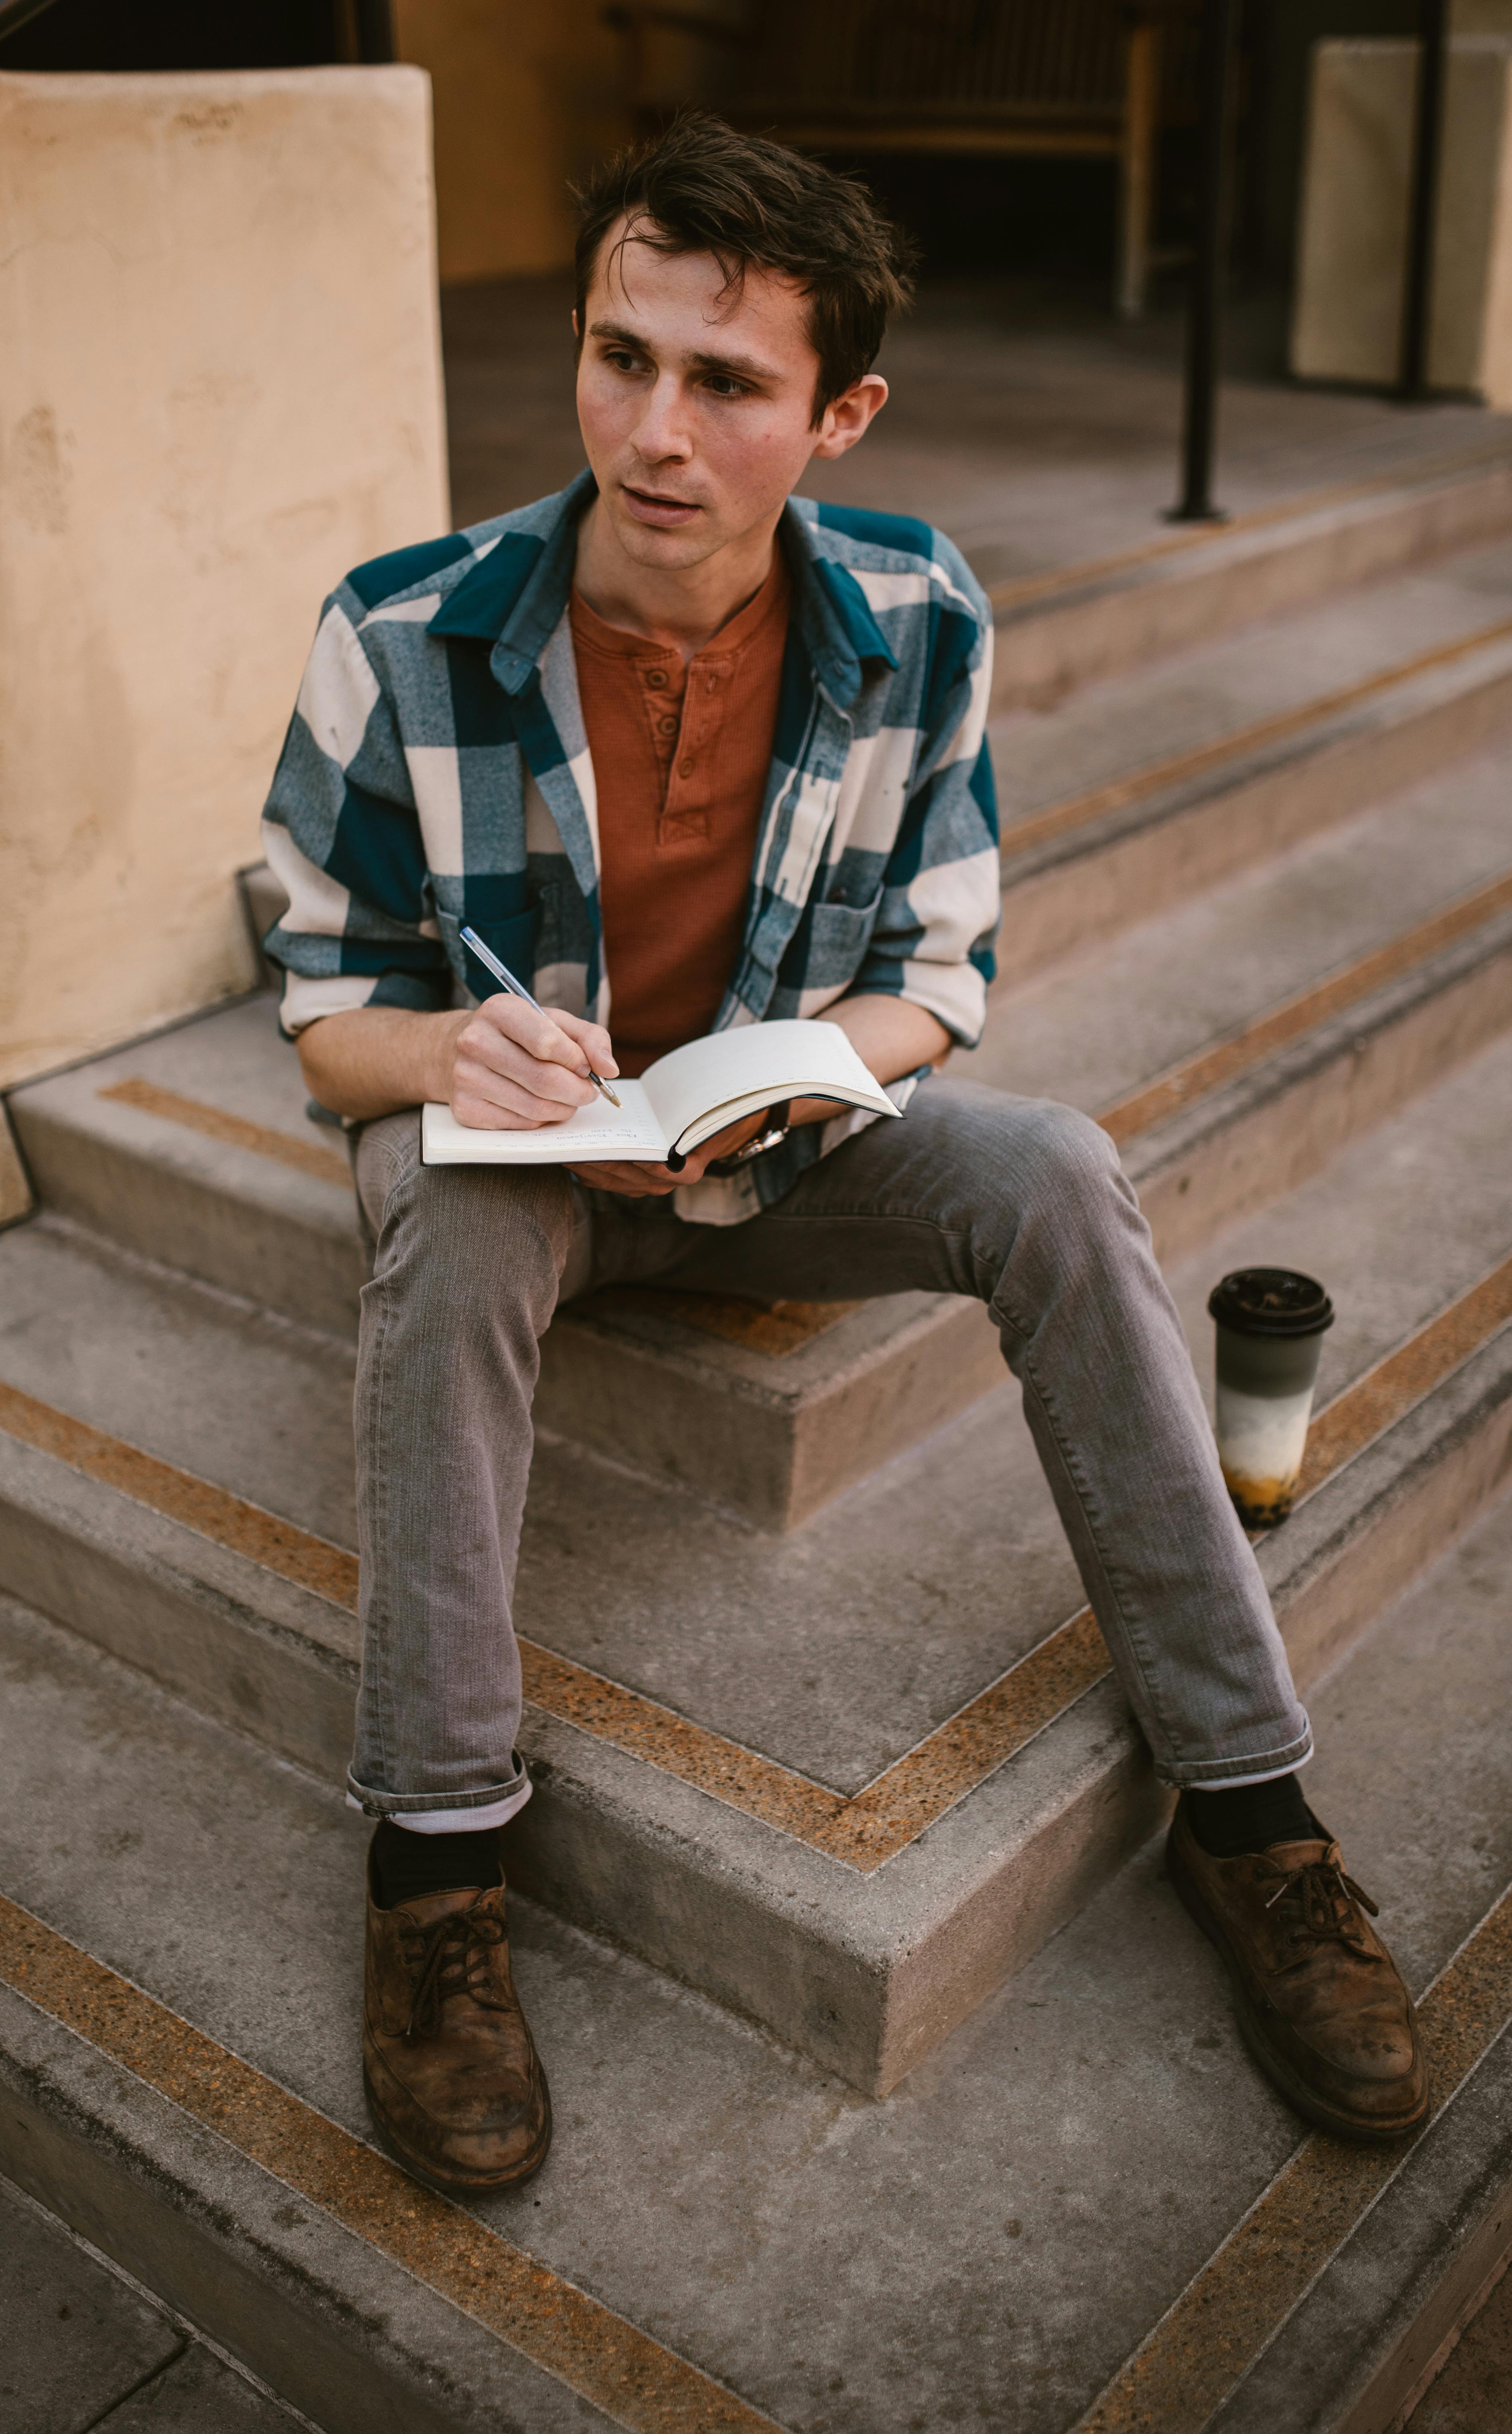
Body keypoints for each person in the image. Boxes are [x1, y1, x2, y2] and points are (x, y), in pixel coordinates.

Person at [261, 114, 1427, 2192]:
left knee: (1055, 1163)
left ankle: (1257, 1821)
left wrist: (807, 1066)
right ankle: (436, 1871)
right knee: (434, 1210)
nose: (657, 431)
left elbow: (942, 974)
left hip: (782, 1159)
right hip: (520, 1177)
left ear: (839, 412)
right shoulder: (399, 627)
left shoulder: (920, 613)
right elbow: (325, 1016)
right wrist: (460, 1048)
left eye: (728, 384)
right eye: (625, 356)